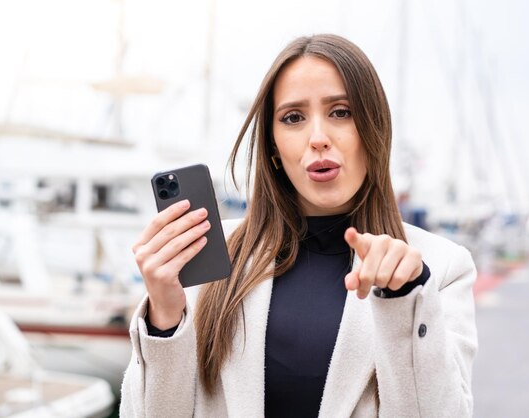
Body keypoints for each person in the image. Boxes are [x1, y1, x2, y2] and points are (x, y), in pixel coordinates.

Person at [120, 34, 478, 417]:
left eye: (341, 112)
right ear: (273, 147)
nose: (318, 138)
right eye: (293, 118)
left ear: (374, 128)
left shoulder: (440, 268)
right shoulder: (210, 254)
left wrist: (406, 296)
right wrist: (164, 317)